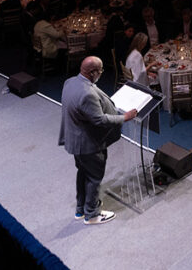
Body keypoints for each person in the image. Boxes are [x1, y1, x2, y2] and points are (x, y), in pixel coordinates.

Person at [58, 56, 138, 225]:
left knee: (83, 174)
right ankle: (92, 214)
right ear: (93, 72)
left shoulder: (70, 82)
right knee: (94, 178)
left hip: (75, 141)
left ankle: (81, 209)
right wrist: (125, 117)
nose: (101, 73)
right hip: (88, 145)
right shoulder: (87, 94)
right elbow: (100, 120)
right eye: (100, 71)